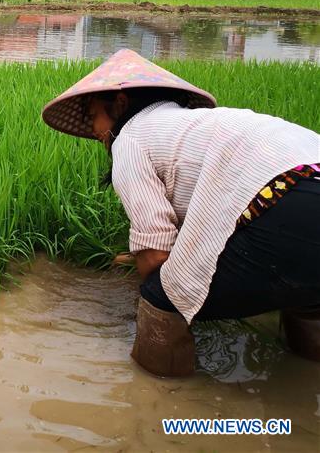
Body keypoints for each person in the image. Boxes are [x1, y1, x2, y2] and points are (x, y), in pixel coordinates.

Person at [41, 49, 320, 377]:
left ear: (118, 104)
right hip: (304, 181)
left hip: (286, 207)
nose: (94, 129)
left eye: (93, 116)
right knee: (307, 296)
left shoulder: (131, 138)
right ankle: (309, 362)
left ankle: (159, 399)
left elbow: (157, 253)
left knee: (162, 295)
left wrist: (151, 284)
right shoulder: (194, 126)